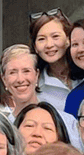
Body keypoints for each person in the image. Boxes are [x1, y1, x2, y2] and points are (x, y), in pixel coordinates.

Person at [31, 11, 80, 141]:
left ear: (68, 39)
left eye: (55, 36)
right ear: (35, 47)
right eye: (41, 39)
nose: (49, 45)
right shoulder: (35, 86)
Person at [0, 44, 41, 119]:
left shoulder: (58, 118)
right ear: (4, 79)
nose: (20, 79)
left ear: (37, 75)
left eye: (26, 71)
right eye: (12, 72)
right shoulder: (2, 124)